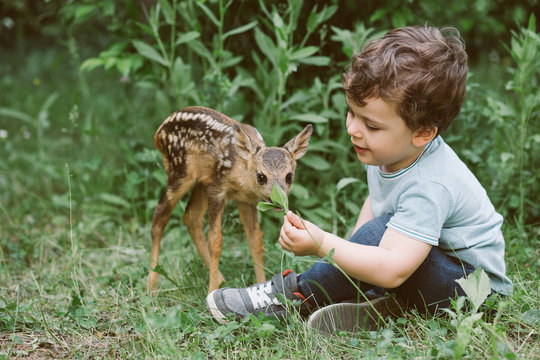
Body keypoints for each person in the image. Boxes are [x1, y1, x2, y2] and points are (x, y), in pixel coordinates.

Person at [206, 25, 512, 332]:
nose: (353, 129)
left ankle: (292, 297)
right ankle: (372, 297)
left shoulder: (430, 185)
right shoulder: (389, 152)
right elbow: (377, 202)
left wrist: (323, 243)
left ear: (422, 133)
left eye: (372, 125)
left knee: (380, 242)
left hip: (475, 291)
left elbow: (392, 265)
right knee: (371, 241)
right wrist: (351, 259)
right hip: (429, 265)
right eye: (352, 113)